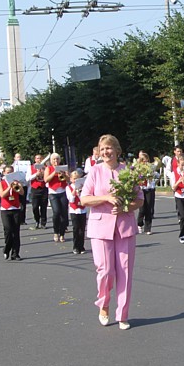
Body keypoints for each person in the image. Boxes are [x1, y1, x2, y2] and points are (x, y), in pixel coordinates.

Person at [81, 134, 143, 330]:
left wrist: (127, 208)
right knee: (105, 270)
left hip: (124, 226)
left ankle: (123, 314)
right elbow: (84, 199)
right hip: (100, 227)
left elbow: (140, 199)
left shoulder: (127, 171)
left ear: (117, 150)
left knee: (125, 272)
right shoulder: (95, 171)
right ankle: (104, 304)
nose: (106, 152)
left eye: (109, 148)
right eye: (102, 149)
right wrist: (106, 197)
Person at [0, 165, 23, 261]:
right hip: (5, 209)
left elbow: (21, 193)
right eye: (7, 172)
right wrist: (9, 187)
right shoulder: (1, 183)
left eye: (11, 172)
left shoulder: (17, 182)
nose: (9, 174)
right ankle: (7, 248)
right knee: (8, 230)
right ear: (4, 173)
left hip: (16, 208)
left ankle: (15, 253)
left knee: (16, 231)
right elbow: (2, 194)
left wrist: (18, 185)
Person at [44, 153, 69, 243]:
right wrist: (54, 172)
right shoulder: (48, 168)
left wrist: (64, 174)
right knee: (56, 212)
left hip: (63, 192)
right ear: (51, 161)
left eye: (57, 159)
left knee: (63, 214)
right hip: (53, 193)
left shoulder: (63, 167)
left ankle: (62, 234)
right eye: (54, 159)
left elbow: (69, 179)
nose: (56, 161)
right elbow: (46, 180)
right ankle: (56, 232)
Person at [136, 151, 159, 235]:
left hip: (150, 188)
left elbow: (157, 175)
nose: (145, 162)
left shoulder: (151, 167)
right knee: (142, 209)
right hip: (141, 189)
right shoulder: (138, 168)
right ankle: (139, 224)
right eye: (143, 160)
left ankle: (148, 228)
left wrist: (153, 175)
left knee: (149, 208)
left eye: (146, 160)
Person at [66, 169, 87, 254]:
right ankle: (75, 247)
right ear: (71, 179)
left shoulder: (83, 187)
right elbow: (71, 199)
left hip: (82, 210)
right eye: (74, 179)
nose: (75, 180)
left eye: (77, 179)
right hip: (74, 210)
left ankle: (81, 246)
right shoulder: (68, 187)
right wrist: (75, 191)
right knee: (76, 229)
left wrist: (81, 190)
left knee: (82, 229)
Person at [26, 154, 48, 230]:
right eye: (37, 158)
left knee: (43, 207)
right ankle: (37, 221)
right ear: (35, 160)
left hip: (43, 188)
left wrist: (44, 172)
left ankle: (43, 223)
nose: (39, 160)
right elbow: (27, 178)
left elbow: (47, 178)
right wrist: (36, 174)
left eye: (40, 158)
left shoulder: (45, 167)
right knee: (35, 207)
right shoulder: (31, 167)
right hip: (35, 189)